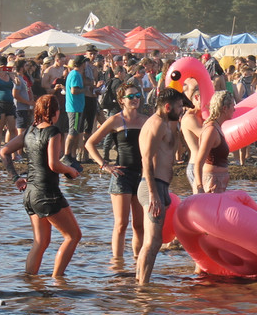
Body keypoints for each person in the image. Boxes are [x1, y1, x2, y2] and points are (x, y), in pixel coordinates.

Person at [1, 93, 82, 278]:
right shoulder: (53, 132)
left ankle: (29, 282)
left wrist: (15, 177)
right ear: (56, 112)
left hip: (30, 193)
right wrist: (70, 170)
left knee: (41, 241)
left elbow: (4, 151)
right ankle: (58, 280)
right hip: (47, 193)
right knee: (73, 236)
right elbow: (54, 164)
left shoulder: (29, 131)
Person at [85, 81, 148, 262]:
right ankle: (117, 263)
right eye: (131, 97)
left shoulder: (146, 120)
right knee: (121, 224)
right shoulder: (115, 120)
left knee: (139, 225)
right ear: (122, 100)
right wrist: (104, 165)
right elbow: (90, 143)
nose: (135, 99)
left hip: (141, 175)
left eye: (137, 96)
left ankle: (138, 261)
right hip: (121, 175)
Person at [136, 87, 191, 284]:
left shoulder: (167, 124)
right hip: (152, 186)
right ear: (167, 107)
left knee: (153, 242)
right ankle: (142, 287)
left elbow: (173, 152)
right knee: (152, 242)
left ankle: (140, 282)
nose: (181, 110)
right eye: (178, 107)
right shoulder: (156, 124)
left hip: (162, 186)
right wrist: (153, 194)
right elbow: (147, 160)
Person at [193, 90, 235, 194]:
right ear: (224, 109)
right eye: (232, 106)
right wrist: (200, 188)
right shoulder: (211, 130)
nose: (234, 109)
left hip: (217, 182)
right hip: (211, 183)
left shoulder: (217, 128)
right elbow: (198, 162)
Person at [61, 55, 86, 171]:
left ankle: (72, 156)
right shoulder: (75, 74)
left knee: (75, 132)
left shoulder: (74, 74)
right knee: (72, 132)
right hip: (74, 108)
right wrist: (85, 89)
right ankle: (66, 155)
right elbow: (74, 90)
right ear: (81, 64)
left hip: (77, 107)